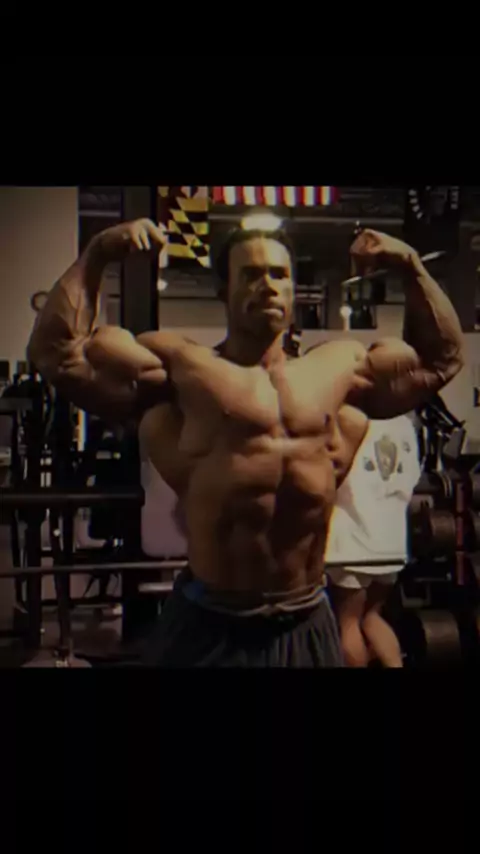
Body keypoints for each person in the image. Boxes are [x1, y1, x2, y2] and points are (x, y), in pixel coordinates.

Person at [26, 217, 464, 667]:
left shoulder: (340, 369)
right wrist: (98, 252)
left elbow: (442, 359)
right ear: (224, 291)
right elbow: (57, 354)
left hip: (305, 618)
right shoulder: (181, 368)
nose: (268, 286)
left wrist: (410, 265)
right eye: (251, 274)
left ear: (294, 289)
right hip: (210, 623)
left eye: (279, 275)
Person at [325, 413, 422, 667]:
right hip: (391, 540)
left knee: (347, 622)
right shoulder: (404, 424)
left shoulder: (349, 417)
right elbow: (413, 476)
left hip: (353, 539)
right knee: (371, 617)